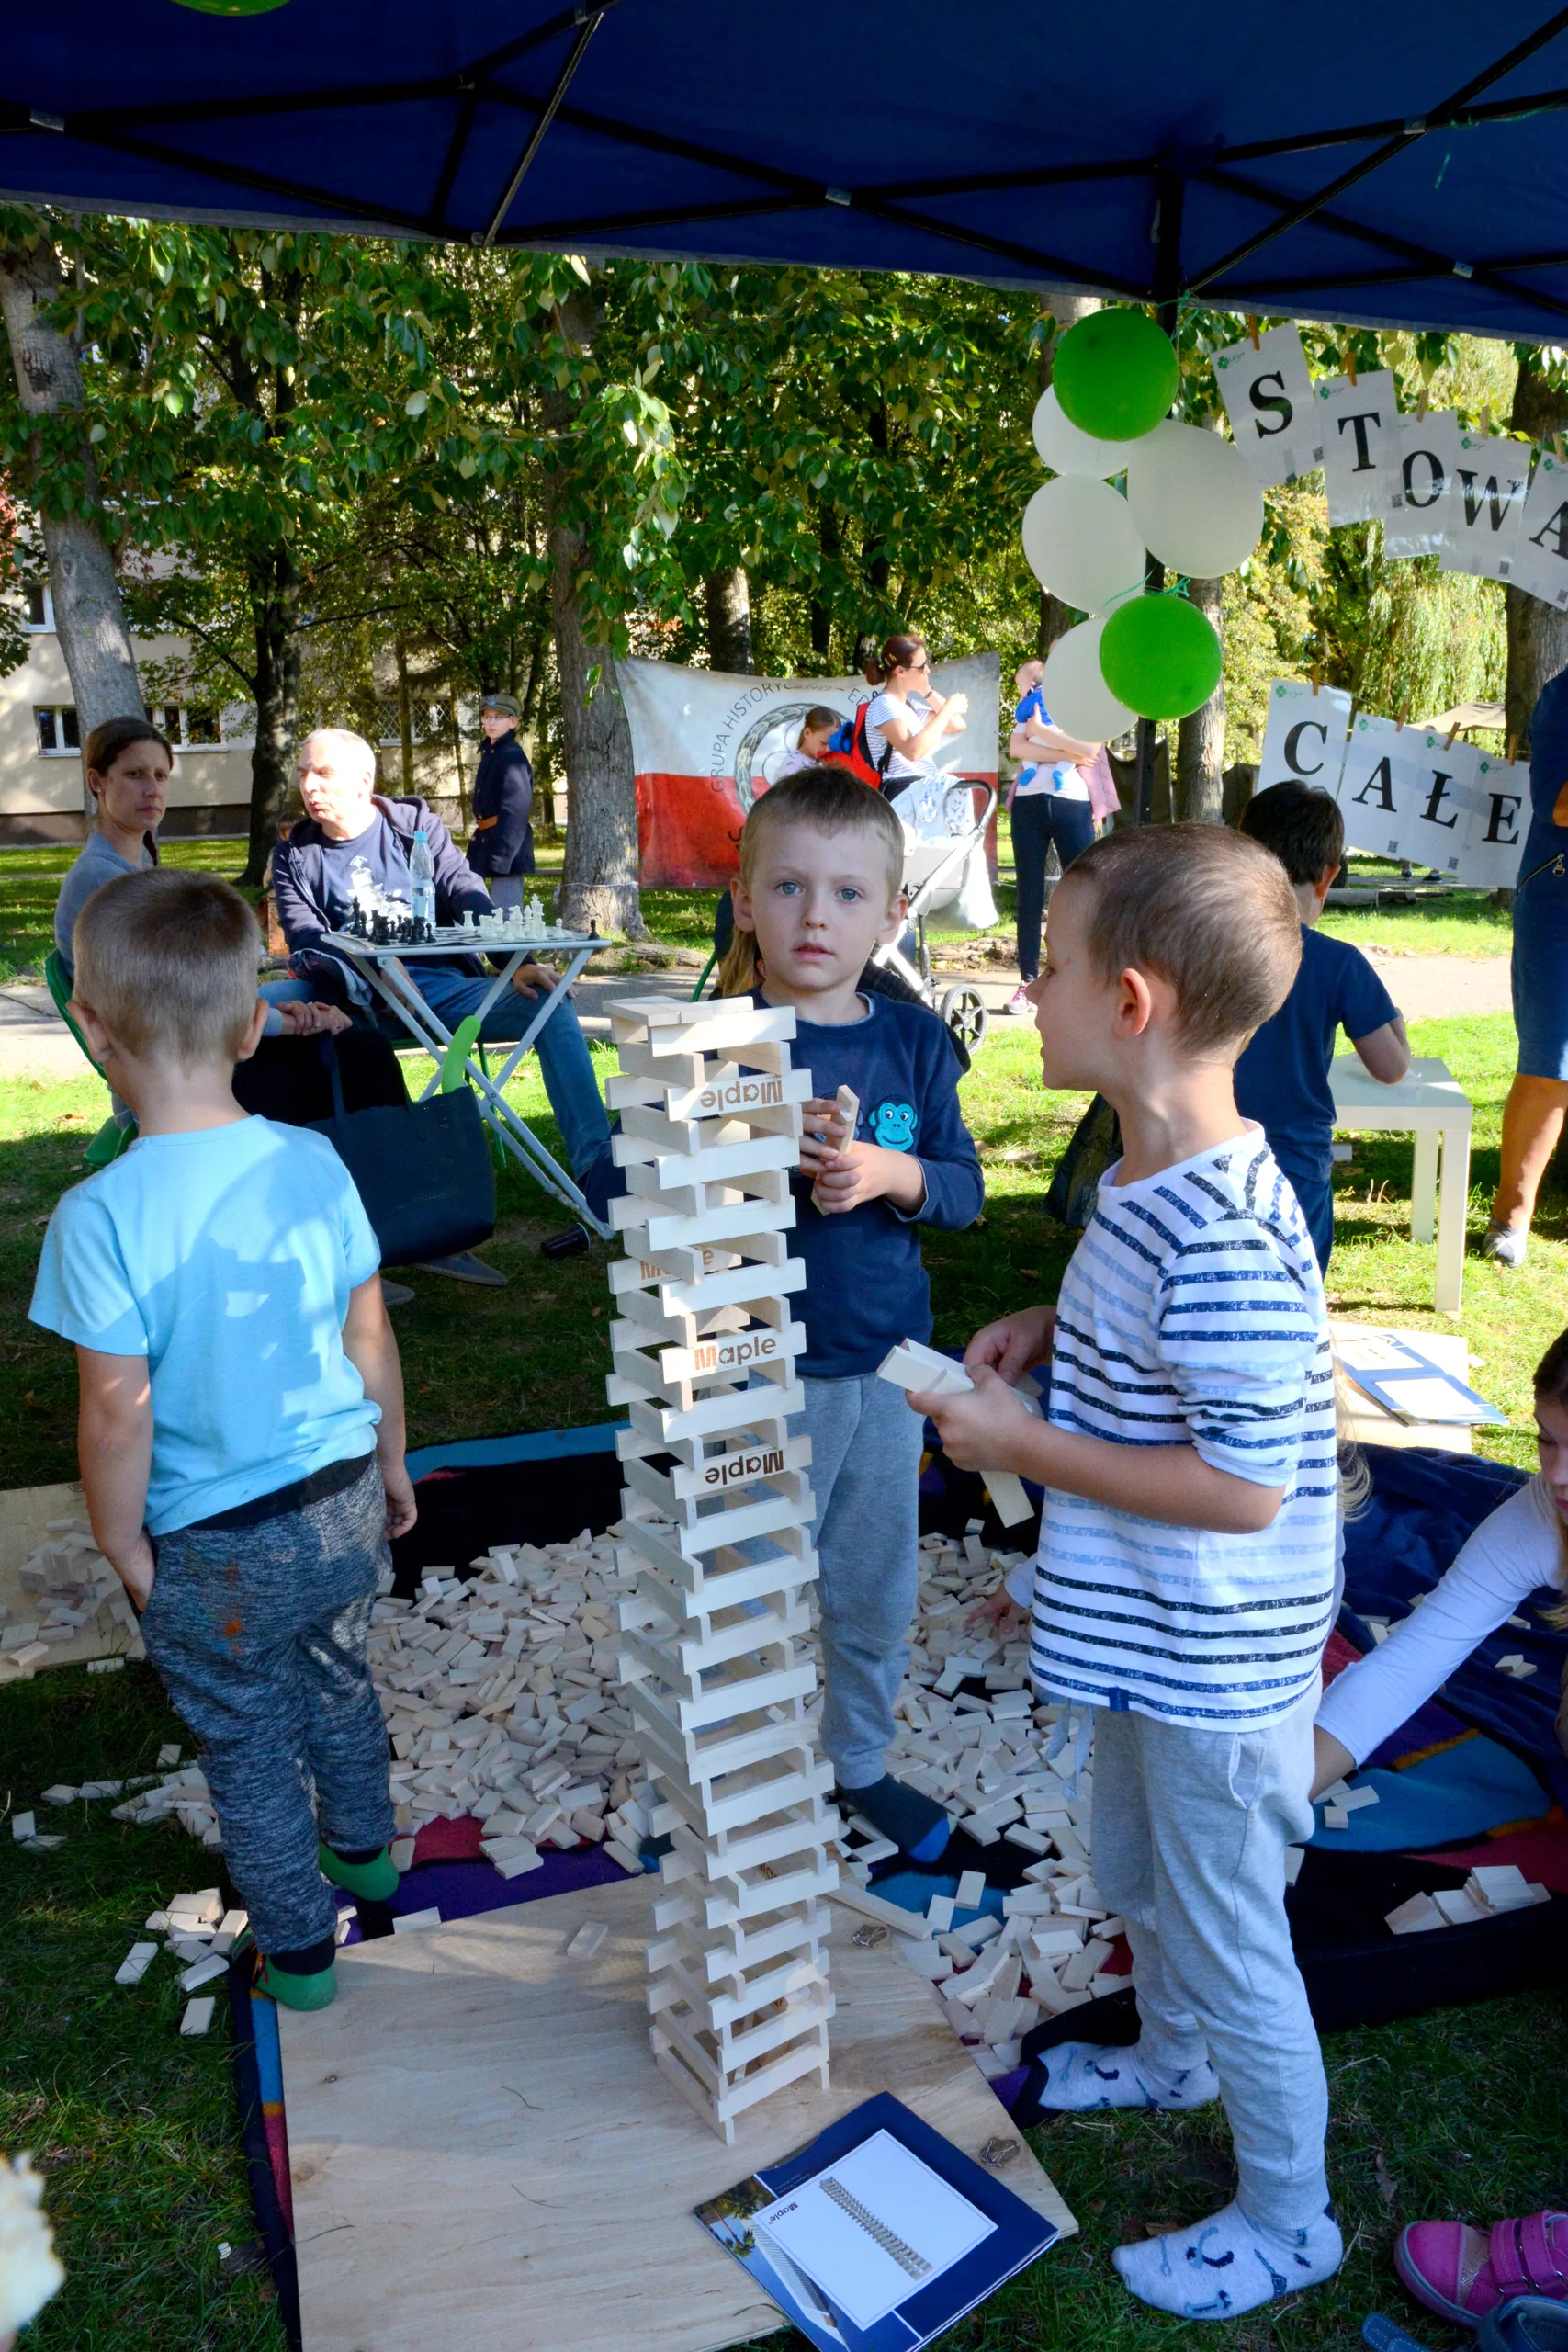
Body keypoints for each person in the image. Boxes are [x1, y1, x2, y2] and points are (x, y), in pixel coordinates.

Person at [913, 822, 1344, 2322]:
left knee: (1232, 1941)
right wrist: (1054, 1329)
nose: (1024, 990)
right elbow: (1162, 1369)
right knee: (1144, 1882)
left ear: (1131, 1003)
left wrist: (1022, 1444)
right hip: (1150, 1645)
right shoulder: (1146, 1181)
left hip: (1215, 1673)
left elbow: (1239, 1488)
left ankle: (1289, 2218)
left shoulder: (1217, 1234)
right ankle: (1168, 2062)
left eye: (1047, 964)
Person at [28, 869, 414, 2013]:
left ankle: (299, 1955)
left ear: (92, 1027)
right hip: (342, 1496)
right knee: (340, 1679)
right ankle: (367, 1853)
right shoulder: (314, 1161)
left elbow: (116, 1410)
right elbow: (368, 1330)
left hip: (217, 1543)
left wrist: (120, 1542)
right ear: (254, 1024)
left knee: (248, 1745)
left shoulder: (99, 1214)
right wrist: (393, 1457)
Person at [718, 765, 983, 1860]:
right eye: (788, 887)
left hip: (881, 1371)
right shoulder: (714, 1038)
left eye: (846, 893)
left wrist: (887, 1171)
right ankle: (744, 1768)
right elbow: (614, 1183)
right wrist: (741, 1147)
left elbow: (963, 1191)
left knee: (874, 1586)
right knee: (747, 1588)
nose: (815, 916)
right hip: (749, 1374)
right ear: (745, 902)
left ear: (891, 912)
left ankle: (860, 1758)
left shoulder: (915, 1042)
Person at [1313, 1324, 1568, 2327]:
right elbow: (1410, 1660)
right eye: (1547, 1441)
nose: (1558, 1476)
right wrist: (1280, 1790)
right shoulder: (1539, 1512)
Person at [270, 728, 611, 1177]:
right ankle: (294, 1175)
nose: (309, 786)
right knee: (261, 1008)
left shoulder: (414, 827)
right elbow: (305, 936)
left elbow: (464, 889)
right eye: (303, 774)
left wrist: (515, 962)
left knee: (550, 1003)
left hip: (439, 990)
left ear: (363, 781)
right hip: (350, 998)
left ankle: (598, 1169)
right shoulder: (293, 854)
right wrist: (374, 968)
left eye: (324, 773)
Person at [54, 716, 344, 1045]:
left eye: (160, 775)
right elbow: (174, 1003)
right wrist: (292, 1023)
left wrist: (273, 1014)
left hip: (185, 1043)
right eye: (134, 774)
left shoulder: (122, 871)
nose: (152, 790)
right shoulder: (102, 879)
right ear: (97, 782)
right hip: (172, 1058)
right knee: (352, 1044)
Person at [1235, 781, 1410, 1272]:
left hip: (1203, 1156)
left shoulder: (1199, 948)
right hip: (1295, 1168)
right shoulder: (1339, 963)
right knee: (1296, 1298)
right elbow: (1392, 1067)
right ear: (1328, 876)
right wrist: (1392, 1015)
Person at [1484, 664, 1568, 1266]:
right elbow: (1558, 804)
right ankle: (1509, 1219)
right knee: (1550, 1063)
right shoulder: (1562, 696)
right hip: (1558, 905)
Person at [1005, 657, 1102, 1016]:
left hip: (1072, 804)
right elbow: (1018, 748)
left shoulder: (1081, 705)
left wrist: (1041, 732)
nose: (1022, 692)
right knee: (1028, 895)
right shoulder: (1030, 706)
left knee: (1085, 889)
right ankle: (1027, 980)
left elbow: (1089, 750)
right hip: (1028, 804)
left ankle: (1086, 977)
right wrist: (1064, 750)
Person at [860, 632, 970, 830]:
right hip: (902, 792)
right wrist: (948, 708)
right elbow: (913, 751)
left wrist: (926, 691)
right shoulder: (883, 705)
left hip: (920, 793)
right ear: (900, 671)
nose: (927, 670)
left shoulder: (909, 706)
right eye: (921, 667)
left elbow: (956, 724)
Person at [467, 691, 536, 913]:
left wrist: (503, 856)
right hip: (487, 841)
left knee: (505, 918)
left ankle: (518, 942)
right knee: (479, 913)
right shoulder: (492, 752)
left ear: (512, 722)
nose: (491, 722)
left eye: (498, 717)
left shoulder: (512, 756)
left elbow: (515, 811)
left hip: (506, 847)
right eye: (487, 717)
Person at [774, 706, 842, 779]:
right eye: (824, 742)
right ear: (807, 733)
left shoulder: (823, 764)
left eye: (832, 744)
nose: (828, 749)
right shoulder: (793, 764)